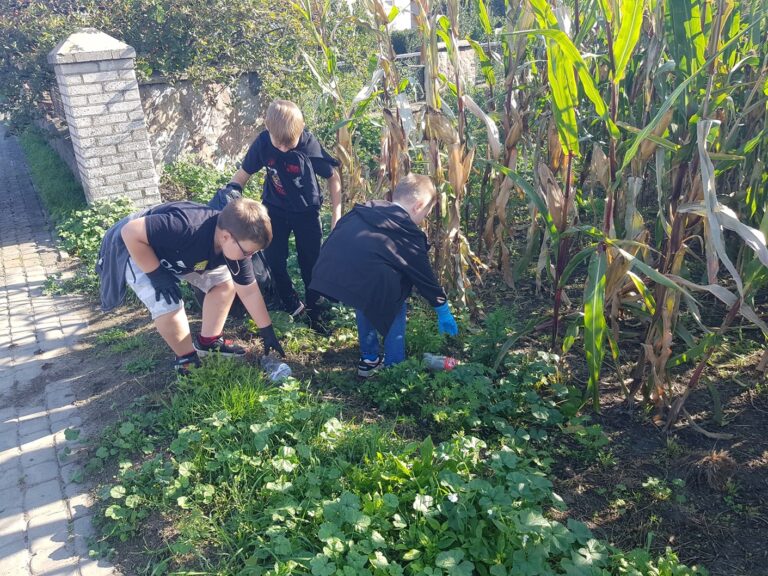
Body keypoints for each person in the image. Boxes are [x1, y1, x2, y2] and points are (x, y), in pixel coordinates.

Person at [96, 198, 285, 374]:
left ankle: (208, 342)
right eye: (247, 252)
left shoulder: (238, 246)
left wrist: (266, 330)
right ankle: (186, 359)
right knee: (169, 303)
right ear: (226, 237)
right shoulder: (186, 226)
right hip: (134, 247)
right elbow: (130, 232)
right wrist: (157, 275)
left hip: (176, 253)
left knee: (224, 284)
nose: (248, 257)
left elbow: (249, 291)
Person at [310, 173, 458, 377]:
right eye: (426, 212)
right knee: (394, 292)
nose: (424, 218)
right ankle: (395, 367)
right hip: (360, 279)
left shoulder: (365, 209)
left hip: (330, 274)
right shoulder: (409, 233)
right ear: (418, 205)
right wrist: (442, 308)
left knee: (367, 293)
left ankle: (369, 360)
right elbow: (423, 277)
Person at [221, 99, 341, 329]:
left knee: (311, 264)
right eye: (280, 145)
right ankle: (291, 304)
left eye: (290, 144)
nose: (285, 149)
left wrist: (337, 216)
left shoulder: (308, 144)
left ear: (301, 128)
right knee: (274, 259)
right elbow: (242, 175)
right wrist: (229, 195)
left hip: (307, 212)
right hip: (275, 210)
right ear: (268, 129)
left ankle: (316, 311)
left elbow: (332, 178)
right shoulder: (264, 144)